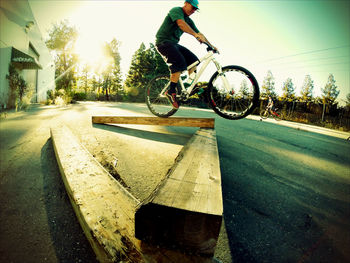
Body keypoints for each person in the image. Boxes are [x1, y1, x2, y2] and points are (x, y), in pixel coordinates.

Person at [155, 0, 217, 109]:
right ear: (186, 3)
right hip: (163, 42)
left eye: (195, 9)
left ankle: (189, 86)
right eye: (192, 8)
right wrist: (194, 35)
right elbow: (181, 24)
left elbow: (200, 34)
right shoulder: (176, 10)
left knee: (194, 61)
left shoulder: (189, 20)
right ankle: (171, 91)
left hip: (173, 44)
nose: (193, 11)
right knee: (179, 63)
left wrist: (211, 45)